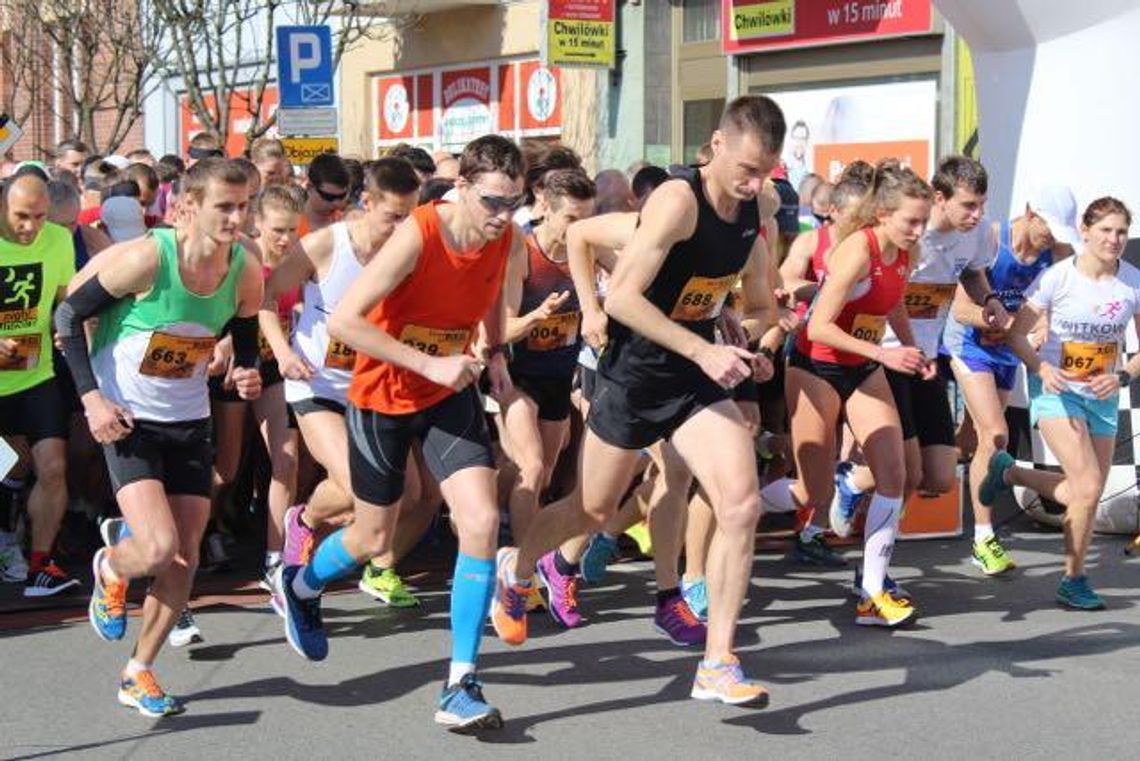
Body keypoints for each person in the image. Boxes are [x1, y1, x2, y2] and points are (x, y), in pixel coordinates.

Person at [492, 96, 783, 707]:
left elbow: (761, 306)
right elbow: (623, 296)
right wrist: (610, 318)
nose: (753, 183)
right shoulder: (677, 202)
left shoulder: (761, 211)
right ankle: (517, 570)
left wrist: (738, 329)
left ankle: (718, 661)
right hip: (635, 373)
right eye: (746, 169)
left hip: (694, 379)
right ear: (718, 147)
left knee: (741, 502)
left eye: (766, 172)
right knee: (591, 510)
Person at [275, 135, 525, 731]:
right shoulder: (419, 232)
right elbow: (344, 320)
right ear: (461, 187)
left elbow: (488, 299)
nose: (502, 216)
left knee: (482, 520)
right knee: (371, 536)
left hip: (448, 393)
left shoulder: (504, 236)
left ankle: (460, 680)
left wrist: (495, 362)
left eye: (514, 204)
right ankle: (303, 585)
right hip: (383, 395)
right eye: (492, 202)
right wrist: (429, 362)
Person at [55, 157, 264, 716]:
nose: (236, 218)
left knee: (184, 558)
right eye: (224, 206)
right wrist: (93, 399)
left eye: (244, 206)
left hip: (188, 420)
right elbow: (68, 319)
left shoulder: (245, 267)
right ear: (188, 207)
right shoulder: (149, 257)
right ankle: (110, 565)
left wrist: (245, 368)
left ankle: (138, 670)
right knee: (158, 547)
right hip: (127, 420)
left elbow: (245, 335)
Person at [262, 158, 422, 607]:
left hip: (374, 388)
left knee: (407, 496)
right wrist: (283, 352)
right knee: (358, 490)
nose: (401, 226)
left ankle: (318, 528)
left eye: (409, 216)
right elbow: (266, 297)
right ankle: (308, 523)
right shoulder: (323, 246)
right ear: (365, 202)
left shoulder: (409, 250)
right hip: (317, 385)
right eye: (392, 216)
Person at [832, 157, 1011, 555]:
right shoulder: (912, 231)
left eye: (981, 204)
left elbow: (972, 274)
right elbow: (878, 288)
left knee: (941, 477)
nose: (976, 214)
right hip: (886, 357)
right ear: (939, 198)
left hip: (926, 356)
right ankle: (876, 558)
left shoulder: (978, 232)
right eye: (967, 205)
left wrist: (991, 299)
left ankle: (855, 481)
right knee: (907, 474)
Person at [785, 159, 933, 626]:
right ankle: (741, 503)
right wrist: (887, 355)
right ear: (884, 214)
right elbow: (821, 326)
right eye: (912, 220)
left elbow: (893, 304)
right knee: (814, 489)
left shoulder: (906, 253)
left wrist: (911, 348)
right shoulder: (857, 250)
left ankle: (872, 590)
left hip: (863, 366)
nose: (918, 229)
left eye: (924, 220)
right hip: (815, 365)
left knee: (894, 473)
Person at [980, 197, 1137, 610]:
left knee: (1086, 492)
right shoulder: (1056, 278)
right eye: (1105, 230)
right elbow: (1015, 335)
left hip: (1102, 398)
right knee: (1086, 487)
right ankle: (1074, 579)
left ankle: (1009, 472)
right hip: (1056, 392)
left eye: (1121, 231)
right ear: (1085, 231)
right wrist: (1041, 369)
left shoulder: (1133, 282)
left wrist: (1122, 375)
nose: (1114, 239)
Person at [944, 188, 1079, 575]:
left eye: (1058, 232)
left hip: (1007, 352)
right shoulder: (991, 239)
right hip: (969, 343)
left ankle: (931, 463)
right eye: (1047, 229)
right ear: (1029, 212)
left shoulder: (1058, 253)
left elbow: (1052, 309)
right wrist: (997, 322)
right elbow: (960, 308)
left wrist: (1040, 331)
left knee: (971, 441)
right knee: (996, 434)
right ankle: (983, 538)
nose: (1051, 238)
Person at [499, 168, 595, 544]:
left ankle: (482, 507)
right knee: (533, 465)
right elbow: (502, 327)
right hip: (516, 375)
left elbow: (633, 283)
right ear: (546, 209)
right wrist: (535, 318)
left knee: (546, 471)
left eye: (587, 219)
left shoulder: (588, 249)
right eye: (571, 218)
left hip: (558, 376)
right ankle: (526, 571)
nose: (579, 228)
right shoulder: (523, 251)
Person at [0, 171, 81, 596]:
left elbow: (65, 302)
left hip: (36, 374)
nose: (32, 227)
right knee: (6, 467)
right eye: (21, 217)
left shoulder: (59, 240)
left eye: (40, 216)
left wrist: (62, 325)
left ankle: (39, 567)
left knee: (52, 467)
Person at [299, 153, 351, 235]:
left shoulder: (348, 224)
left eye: (342, 196)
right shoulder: (290, 226)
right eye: (328, 197)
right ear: (309, 188)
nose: (336, 203)